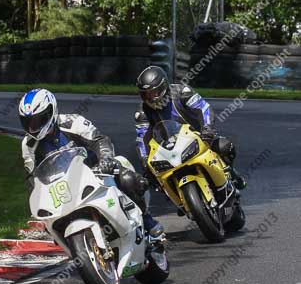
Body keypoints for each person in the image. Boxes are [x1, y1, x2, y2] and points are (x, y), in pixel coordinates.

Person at [19, 88, 164, 237]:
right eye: (28, 123)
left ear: (51, 112)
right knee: (52, 227)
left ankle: (146, 220)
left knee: (129, 179)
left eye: (38, 120)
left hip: (94, 172)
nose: (33, 127)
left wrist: (106, 160)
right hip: (61, 189)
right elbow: (31, 177)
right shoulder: (28, 145)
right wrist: (37, 203)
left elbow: (100, 140)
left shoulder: (73, 122)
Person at [135, 66, 246, 190]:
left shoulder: (182, 92)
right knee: (154, 178)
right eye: (146, 94)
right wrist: (144, 161)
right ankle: (183, 203)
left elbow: (203, 108)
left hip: (200, 139)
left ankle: (232, 174)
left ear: (163, 86)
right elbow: (141, 137)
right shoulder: (143, 111)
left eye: (153, 92)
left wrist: (207, 128)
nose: (150, 97)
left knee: (225, 147)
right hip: (170, 150)